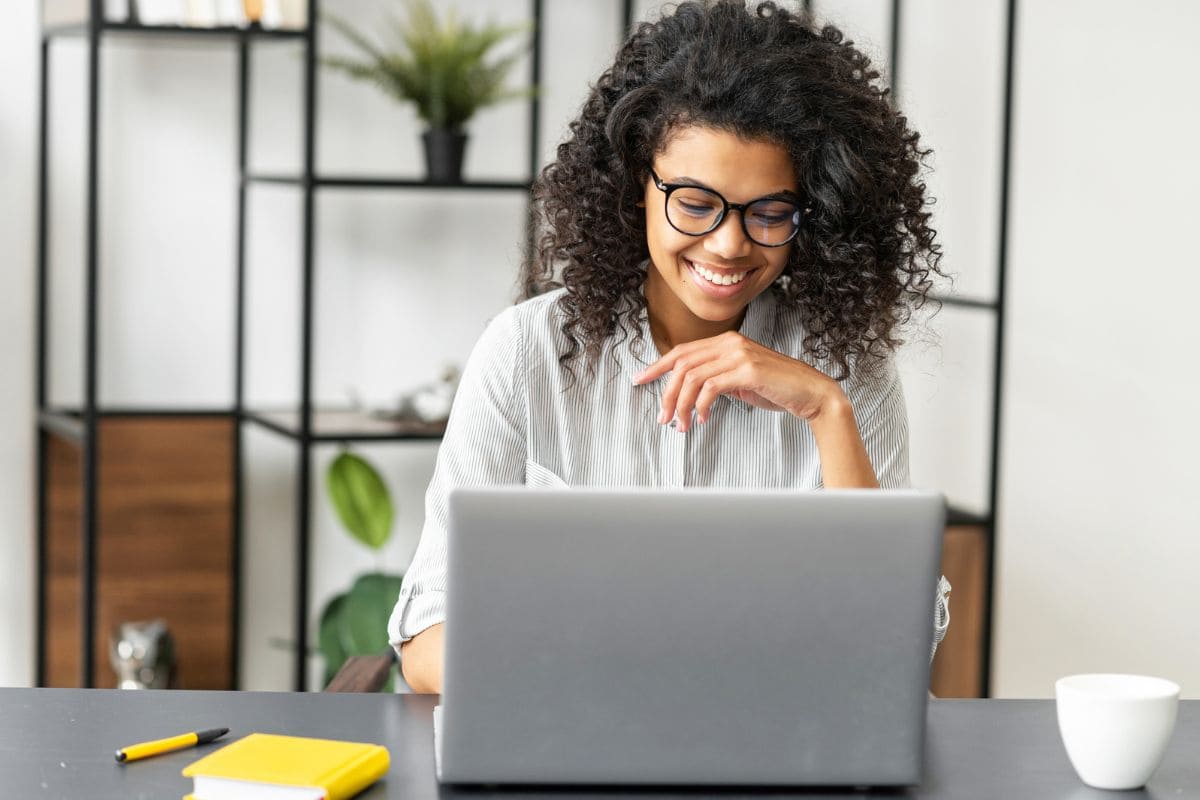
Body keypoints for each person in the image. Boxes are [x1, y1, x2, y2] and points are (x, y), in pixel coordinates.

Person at [390, 0, 950, 694]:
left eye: (770, 212)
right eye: (694, 202)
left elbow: (893, 647)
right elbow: (425, 646)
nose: (728, 244)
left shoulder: (843, 368)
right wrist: (631, 671)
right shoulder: (528, 353)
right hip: (576, 737)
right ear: (636, 187)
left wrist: (827, 411)